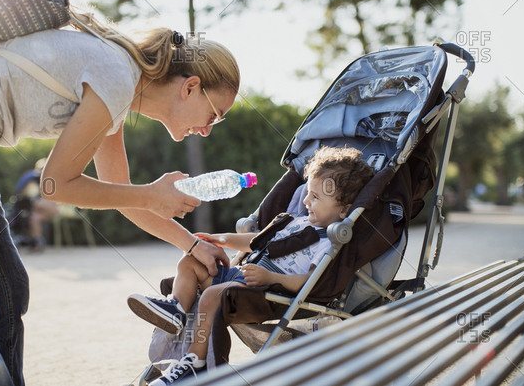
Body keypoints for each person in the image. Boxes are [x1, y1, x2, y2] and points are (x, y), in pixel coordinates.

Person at [0, 9, 240, 385]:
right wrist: (152, 195)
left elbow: (122, 196)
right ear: (190, 87)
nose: (207, 130)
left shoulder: (120, 88)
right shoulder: (117, 76)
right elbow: (55, 185)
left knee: (8, 288)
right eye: (215, 115)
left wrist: (191, 245)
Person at [127, 146, 375, 385]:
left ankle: (196, 364)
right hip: (243, 276)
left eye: (316, 197)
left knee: (212, 295)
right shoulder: (297, 222)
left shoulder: (327, 242)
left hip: (267, 292)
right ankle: (176, 311)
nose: (306, 201)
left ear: (344, 210)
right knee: (191, 261)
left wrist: (270, 278)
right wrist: (221, 239)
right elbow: (257, 242)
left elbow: (311, 281)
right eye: (307, 192)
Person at [10, 158, 59, 251]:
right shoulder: (35, 177)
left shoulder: (39, 178)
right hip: (34, 206)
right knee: (35, 218)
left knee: (35, 212)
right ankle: (38, 243)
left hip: (49, 207)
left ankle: (36, 242)